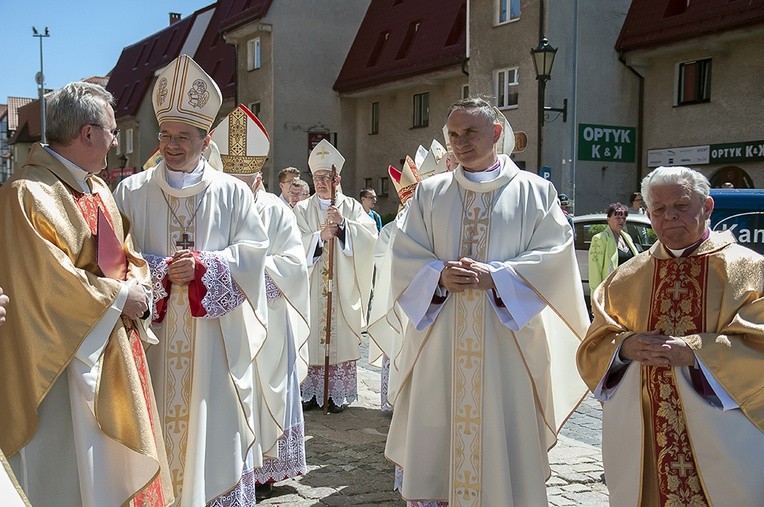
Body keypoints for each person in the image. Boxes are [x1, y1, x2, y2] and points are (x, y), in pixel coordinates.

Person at [385, 97, 589, 506]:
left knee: (504, 438)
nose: (460, 143)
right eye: (454, 135)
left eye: (470, 133)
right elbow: (404, 254)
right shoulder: (429, 193)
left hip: (506, 345)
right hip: (439, 342)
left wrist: (496, 277)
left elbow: (554, 258)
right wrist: (437, 275)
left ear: (496, 133)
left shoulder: (536, 192)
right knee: (436, 437)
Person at [0, 81, 172, 506]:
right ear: (88, 133)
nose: (115, 142)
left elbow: (127, 253)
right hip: (64, 364)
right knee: (74, 476)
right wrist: (120, 298)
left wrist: (139, 284)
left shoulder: (98, 190)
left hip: (114, 347)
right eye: (112, 131)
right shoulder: (27, 193)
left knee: (107, 476)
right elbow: (46, 282)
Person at [114, 55, 271, 505]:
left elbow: (254, 255)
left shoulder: (233, 192)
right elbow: (116, 263)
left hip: (213, 344)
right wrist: (161, 271)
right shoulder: (132, 191)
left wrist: (205, 267)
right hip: (152, 339)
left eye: (183, 137)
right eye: (165, 135)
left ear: (206, 141)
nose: (172, 145)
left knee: (211, 430)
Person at [577, 165, 764, 506]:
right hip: (647, 436)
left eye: (681, 205)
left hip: (722, 442)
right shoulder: (626, 277)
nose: (670, 217)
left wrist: (696, 353)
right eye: (659, 210)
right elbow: (595, 346)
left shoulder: (748, 270)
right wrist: (624, 348)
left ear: (706, 207)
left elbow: (758, 345)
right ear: (647, 214)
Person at [209, 104, 311, 501]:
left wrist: (252, 272)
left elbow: (294, 264)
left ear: (257, 176)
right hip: (232, 317)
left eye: (244, 179)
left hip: (270, 318)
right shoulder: (218, 204)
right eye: (229, 178)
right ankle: (238, 466)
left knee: (269, 391)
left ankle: (267, 468)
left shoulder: (276, 211)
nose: (237, 186)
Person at [293, 139, 378, 413]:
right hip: (312, 284)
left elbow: (370, 239)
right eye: (316, 177)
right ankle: (309, 391)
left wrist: (343, 226)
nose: (320, 182)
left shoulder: (352, 207)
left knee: (338, 334)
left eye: (326, 177)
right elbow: (292, 245)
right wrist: (318, 237)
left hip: (342, 287)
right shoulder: (302, 210)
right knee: (311, 333)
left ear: (337, 178)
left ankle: (335, 394)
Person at [588, 202, 640, 291]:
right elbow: (595, 271)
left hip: (629, 290)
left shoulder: (627, 237)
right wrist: (597, 296)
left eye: (624, 218)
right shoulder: (600, 239)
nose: (621, 221)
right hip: (611, 290)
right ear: (608, 219)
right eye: (617, 218)